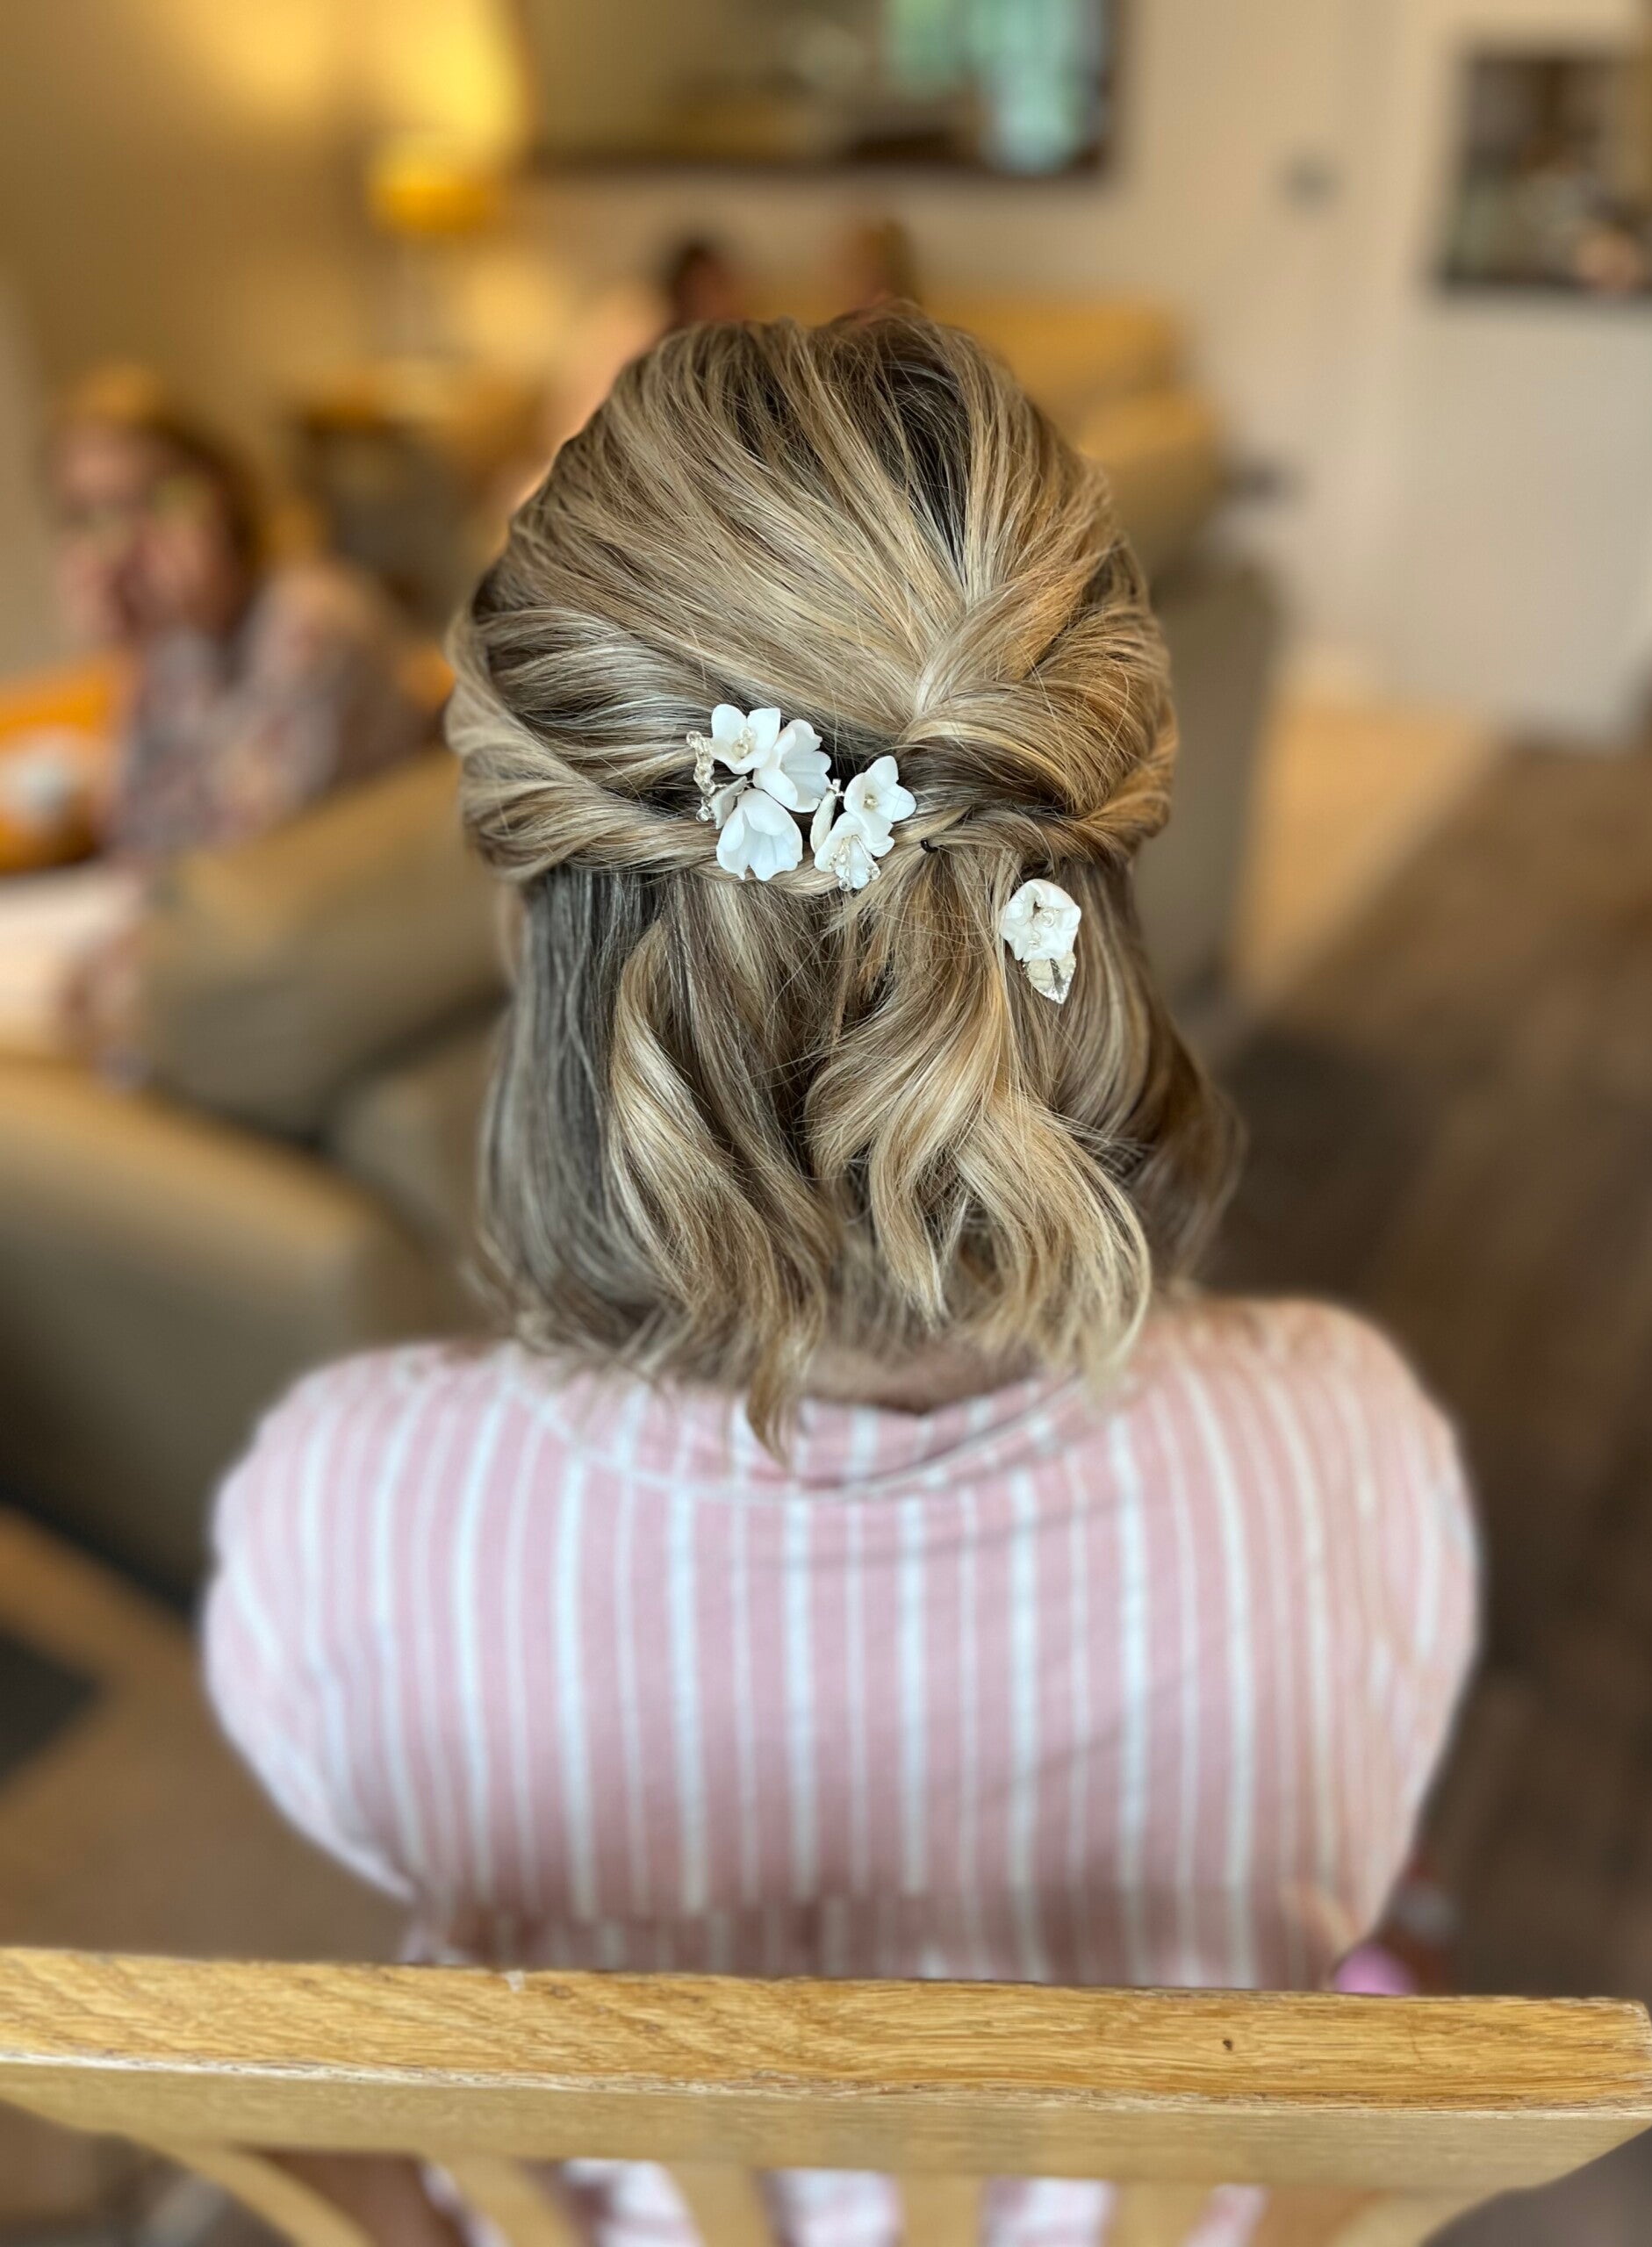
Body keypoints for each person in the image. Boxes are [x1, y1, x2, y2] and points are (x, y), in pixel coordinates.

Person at [205, 312, 1477, 2247]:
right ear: (1085, 873)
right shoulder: (1347, 1454)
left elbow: (382, 1840)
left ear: (547, 923)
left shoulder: (351, 1508)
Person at [50, 366, 432, 863]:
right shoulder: (174, 647)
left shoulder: (311, 616)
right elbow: (132, 836)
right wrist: (128, 657)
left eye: (159, 499)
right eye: (96, 518)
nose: (126, 545)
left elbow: (248, 849)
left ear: (224, 492)